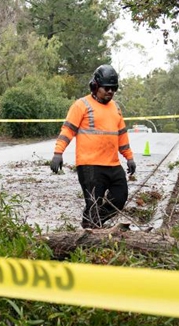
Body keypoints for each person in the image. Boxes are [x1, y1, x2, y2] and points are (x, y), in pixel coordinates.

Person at [50, 64, 136, 229]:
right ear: (96, 86)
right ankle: (92, 230)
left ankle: (91, 220)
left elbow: (122, 135)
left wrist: (129, 157)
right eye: (106, 88)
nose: (110, 91)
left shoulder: (116, 108)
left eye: (114, 88)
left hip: (113, 165)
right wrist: (58, 153)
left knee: (120, 197)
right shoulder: (81, 105)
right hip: (90, 166)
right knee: (94, 203)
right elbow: (67, 130)